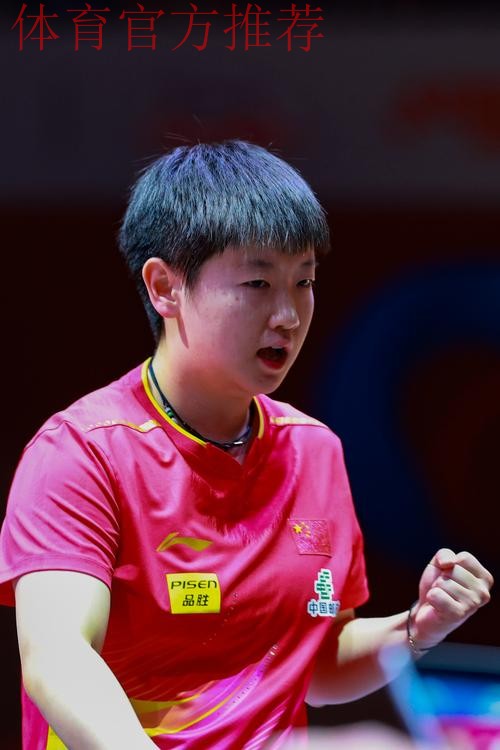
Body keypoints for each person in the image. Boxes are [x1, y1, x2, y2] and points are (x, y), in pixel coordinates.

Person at [0, 141, 493, 750]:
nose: (288, 314)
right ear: (164, 287)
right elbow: (58, 657)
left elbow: (315, 665)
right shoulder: (82, 453)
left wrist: (415, 628)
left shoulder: (313, 451)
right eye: (258, 282)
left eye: (304, 281)